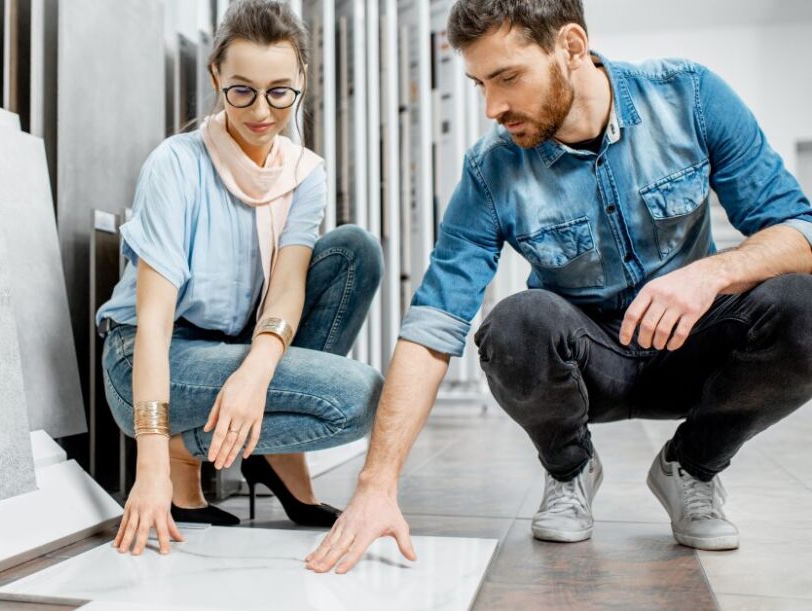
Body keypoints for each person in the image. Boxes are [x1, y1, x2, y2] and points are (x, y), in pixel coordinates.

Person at [306, 0, 812, 573]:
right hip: (588, 368)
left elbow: (800, 232)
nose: (492, 107)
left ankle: (691, 468)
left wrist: (712, 273)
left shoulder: (690, 98)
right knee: (516, 322)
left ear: (570, 47)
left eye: (507, 78)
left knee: (805, 307)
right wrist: (377, 484)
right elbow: (432, 326)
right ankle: (570, 469)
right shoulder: (491, 171)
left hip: (691, 352)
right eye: (479, 84)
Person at [96, 0, 385, 557]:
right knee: (357, 397)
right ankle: (185, 453)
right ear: (215, 78)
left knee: (355, 252)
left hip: (232, 348)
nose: (261, 111)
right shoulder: (175, 165)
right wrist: (150, 463)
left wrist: (256, 374)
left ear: (302, 78)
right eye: (241, 90)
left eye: (280, 91)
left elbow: (287, 286)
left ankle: (267, 450)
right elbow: (154, 325)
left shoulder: (303, 174)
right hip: (149, 359)